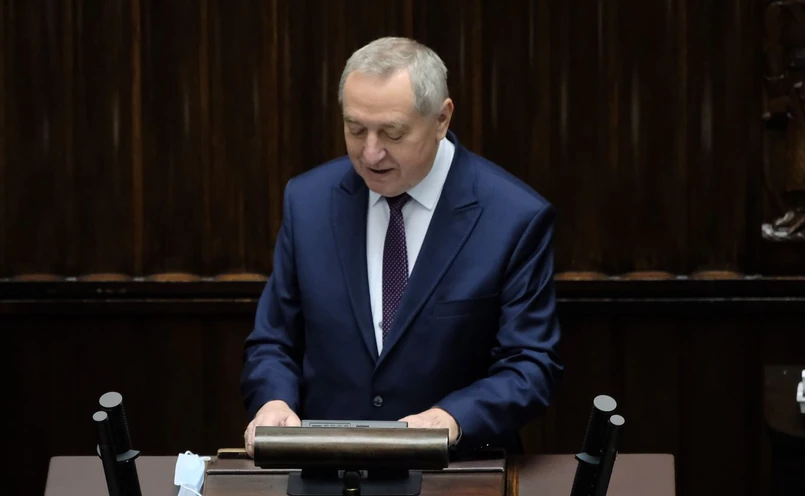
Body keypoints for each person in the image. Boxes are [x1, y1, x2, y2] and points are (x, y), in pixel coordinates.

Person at [241, 36, 562, 457]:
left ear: (442, 118)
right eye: (355, 129)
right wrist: (273, 400)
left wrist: (452, 418)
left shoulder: (514, 217)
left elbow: (530, 365)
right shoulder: (308, 202)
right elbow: (273, 342)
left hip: (457, 470)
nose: (371, 154)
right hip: (327, 467)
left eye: (392, 133)